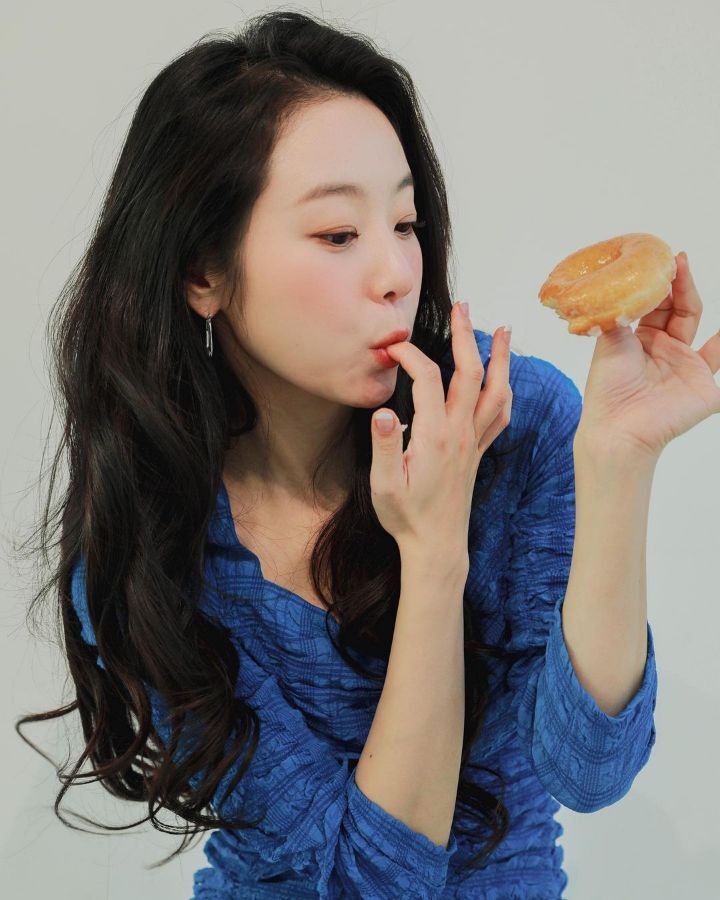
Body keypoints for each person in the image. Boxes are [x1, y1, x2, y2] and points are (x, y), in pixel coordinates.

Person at [17, 10, 658, 898]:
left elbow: (590, 773)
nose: (396, 273)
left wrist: (617, 460)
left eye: (405, 222)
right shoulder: (148, 545)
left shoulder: (512, 424)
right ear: (204, 272)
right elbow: (371, 885)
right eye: (337, 235)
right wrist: (432, 555)